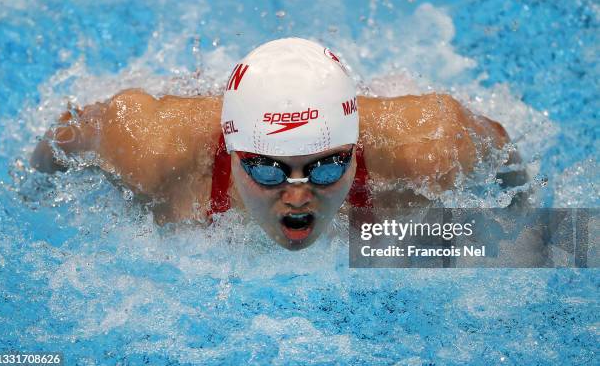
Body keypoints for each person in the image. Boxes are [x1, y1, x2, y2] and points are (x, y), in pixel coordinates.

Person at [31, 38, 525, 250]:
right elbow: (65, 134)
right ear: (231, 150)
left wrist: (520, 213)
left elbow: (501, 149)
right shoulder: (150, 147)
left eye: (326, 167)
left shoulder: (427, 147)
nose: (296, 195)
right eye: (267, 170)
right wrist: (29, 197)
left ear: (355, 152)